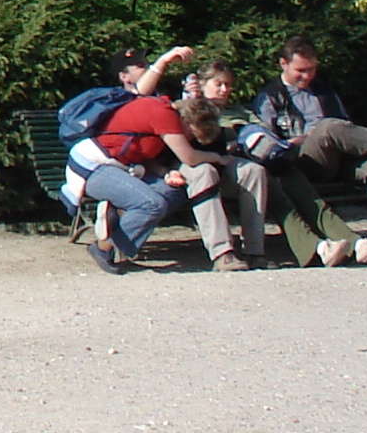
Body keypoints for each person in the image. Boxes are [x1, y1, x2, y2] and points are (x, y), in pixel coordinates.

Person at [83, 47, 265, 274]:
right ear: (124, 76)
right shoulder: (143, 104)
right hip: (174, 168)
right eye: (141, 66)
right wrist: (166, 172)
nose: (149, 69)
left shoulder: (178, 101)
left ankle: (256, 252)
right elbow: (152, 153)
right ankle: (222, 254)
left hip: (210, 161)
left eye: (148, 65)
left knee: (253, 171)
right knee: (203, 171)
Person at [186, 61, 367, 269]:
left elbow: (265, 132)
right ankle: (321, 248)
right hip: (228, 170)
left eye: (228, 85)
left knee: (296, 184)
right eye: (218, 84)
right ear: (201, 84)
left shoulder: (239, 111)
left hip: (264, 163)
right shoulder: (194, 109)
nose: (224, 90)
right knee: (273, 188)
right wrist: (196, 103)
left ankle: (352, 243)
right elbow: (192, 138)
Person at [252, 39, 367, 217]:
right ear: (283, 64)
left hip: (337, 156)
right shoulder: (270, 98)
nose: (307, 76)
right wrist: (305, 138)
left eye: (311, 69)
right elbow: (269, 145)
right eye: (300, 70)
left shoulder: (323, 91)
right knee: (326, 127)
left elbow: (345, 127)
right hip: (301, 160)